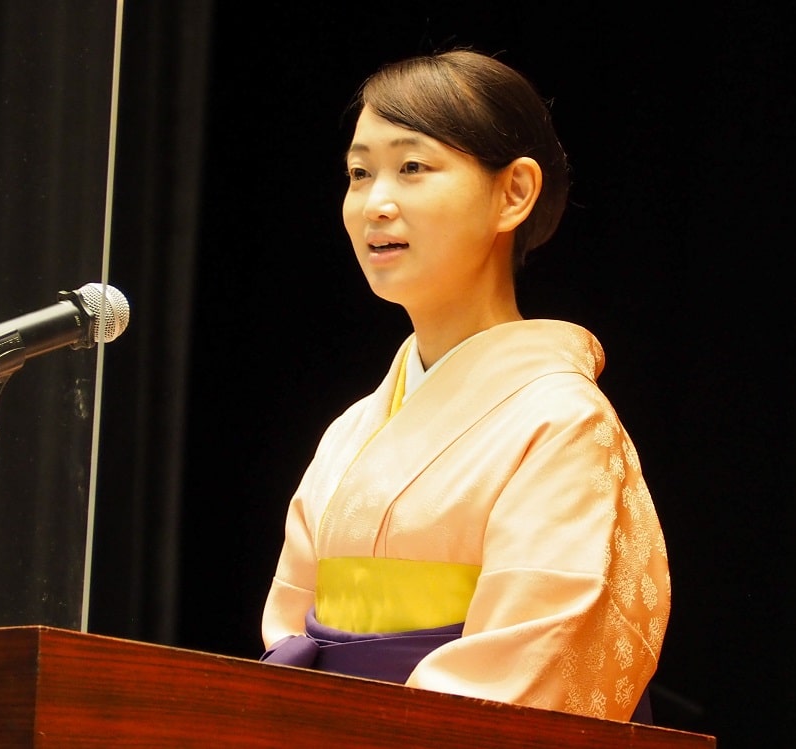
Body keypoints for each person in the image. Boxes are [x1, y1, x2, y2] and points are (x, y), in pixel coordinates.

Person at [259, 47, 671, 725]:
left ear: (514, 192)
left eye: (412, 167)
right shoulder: (351, 430)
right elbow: (292, 635)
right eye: (359, 173)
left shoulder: (563, 423)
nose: (376, 202)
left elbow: (531, 663)